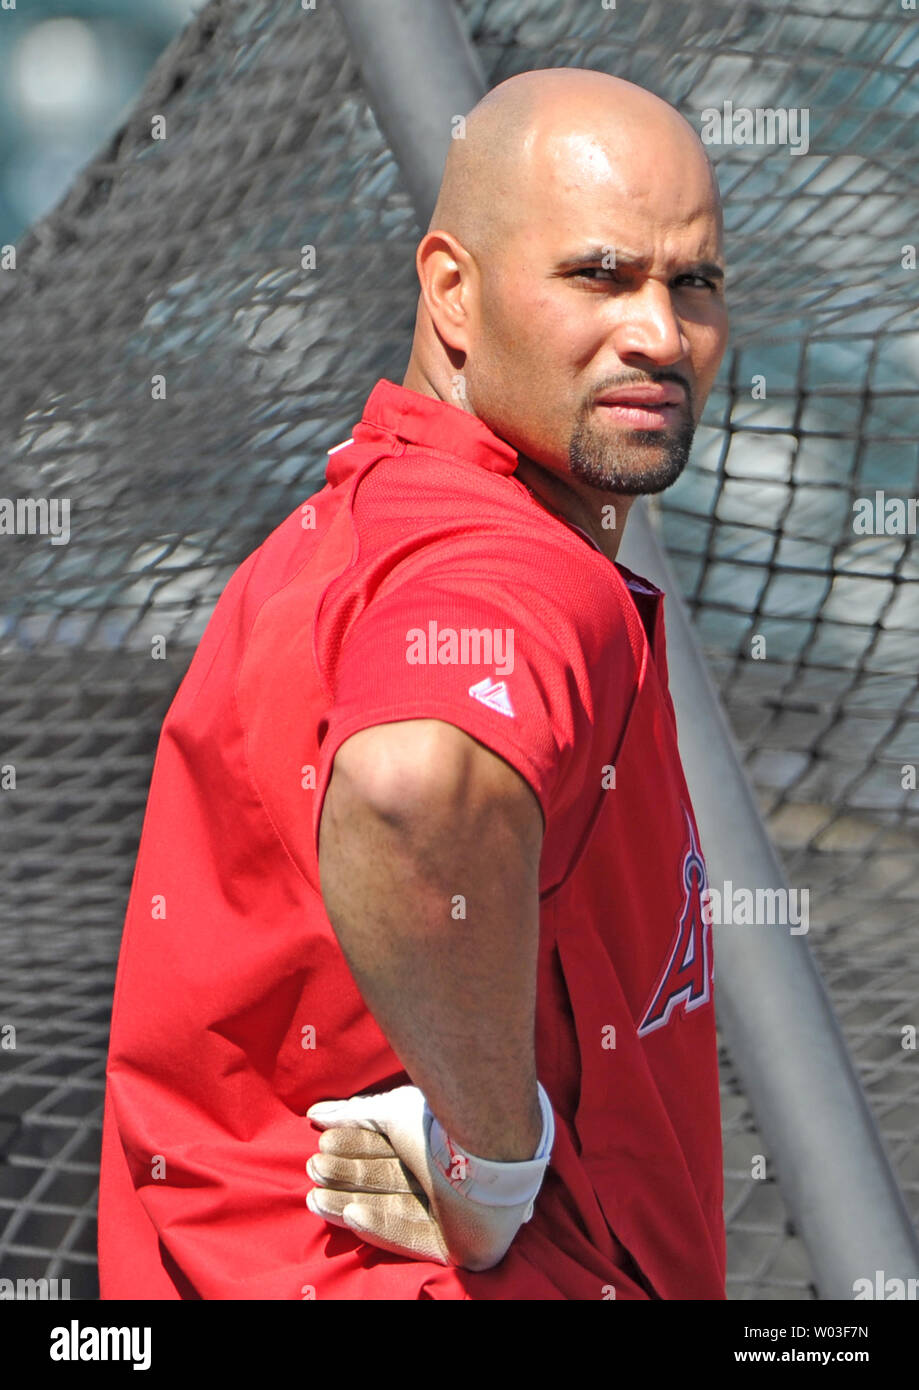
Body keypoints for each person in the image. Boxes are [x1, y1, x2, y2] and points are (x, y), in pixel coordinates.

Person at [98, 66, 729, 1301]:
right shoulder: (505, 561)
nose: (658, 332)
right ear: (453, 290)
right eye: (599, 276)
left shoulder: (349, 530)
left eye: (692, 282)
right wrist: (493, 1165)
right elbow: (409, 785)